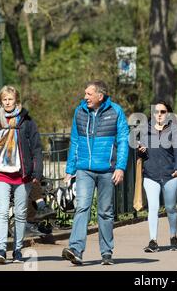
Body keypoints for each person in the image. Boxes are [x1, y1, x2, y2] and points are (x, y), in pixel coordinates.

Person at [61, 80, 129, 266]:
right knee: (82, 207)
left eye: (89, 94)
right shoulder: (79, 112)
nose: (85, 97)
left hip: (108, 170)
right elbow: (74, 141)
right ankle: (75, 249)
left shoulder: (116, 111)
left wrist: (120, 167)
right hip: (84, 170)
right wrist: (70, 170)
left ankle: (106, 252)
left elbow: (123, 141)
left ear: (100, 96)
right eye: (85, 94)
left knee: (105, 212)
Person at [0, 85, 43, 264]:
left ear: (17, 101)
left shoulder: (26, 121)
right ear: (1, 101)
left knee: (21, 213)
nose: (7, 102)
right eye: (4, 99)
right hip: (1, 173)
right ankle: (0, 249)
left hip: (23, 175)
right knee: (3, 212)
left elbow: (36, 148)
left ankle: (18, 250)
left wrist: (37, 172)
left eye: (10, 99)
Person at [137, 101, 177, 252]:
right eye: (156, 111)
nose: (159, 114)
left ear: (168, 114)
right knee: (153, 207)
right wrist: (141, 151)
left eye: (163, 112)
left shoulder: (173, 130)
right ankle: (153, 241)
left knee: (170, 208)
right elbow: (139, 152)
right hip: (151, 174)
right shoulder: (145, 130)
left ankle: (173, 236)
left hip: (170, 174)